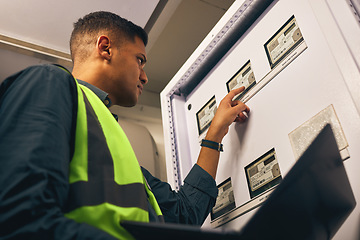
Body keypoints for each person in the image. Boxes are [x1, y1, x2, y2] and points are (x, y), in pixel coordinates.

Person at [0, 11, 250, 239]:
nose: (144, 75)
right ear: (105, 48)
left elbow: (183, 215)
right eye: (140, 60)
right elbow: (20, 216)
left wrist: (214, 135)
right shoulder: (49, 82)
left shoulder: (113, 149)